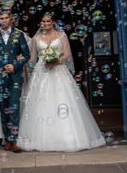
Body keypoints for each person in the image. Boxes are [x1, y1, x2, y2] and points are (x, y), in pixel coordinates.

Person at [17, 13, 105, 152]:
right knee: (41, 102)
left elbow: (66, 53)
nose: (45, 24)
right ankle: (41, 139)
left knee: (62, 100)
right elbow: (33, 57)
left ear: (53, 22)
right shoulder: (36, 38)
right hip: (42, 71)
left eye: (48, 21)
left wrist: (56, 61)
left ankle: (68, 138)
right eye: (43, 21)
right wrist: (20, 59)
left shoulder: (61, 35)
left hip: (58, 70)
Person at [0, 11, 31, 152]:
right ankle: (7, 139)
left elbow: (27, 55)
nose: (4, 20)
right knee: (4, 108)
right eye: (1, 18)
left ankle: (14, 140)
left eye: (6, 18)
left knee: (14, 108)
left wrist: (15, 65)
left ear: (11, 19)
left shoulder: (19, 35)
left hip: (15, 78)